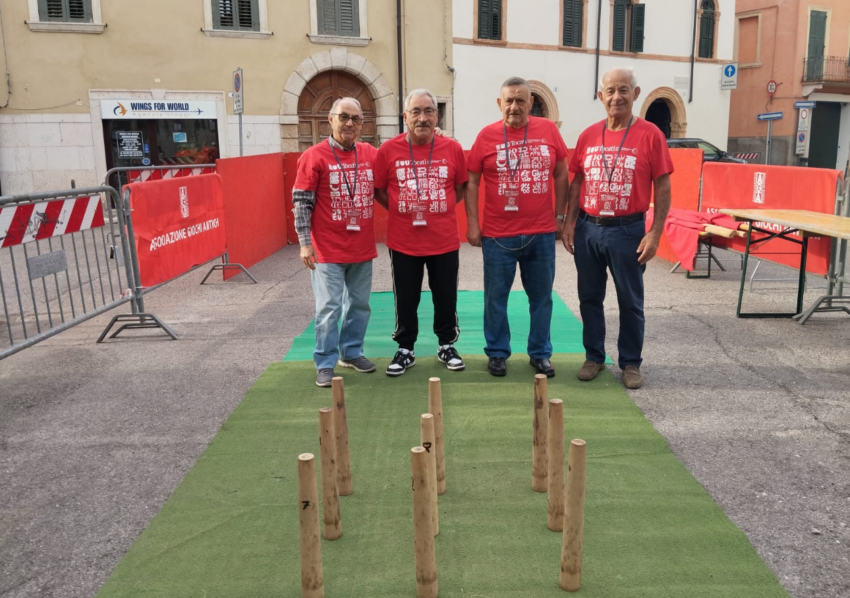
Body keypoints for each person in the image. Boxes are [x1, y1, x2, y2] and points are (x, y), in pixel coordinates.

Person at [563, 67, 673, 390]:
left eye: (623, 90)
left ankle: (630, 363)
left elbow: (663, 187)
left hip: (628, 231)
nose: (616, 97)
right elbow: (576, 181)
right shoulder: (587, 135)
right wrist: (569, 222)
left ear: (635, 94)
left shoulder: (651, 135)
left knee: (630, 299)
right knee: (589, 297)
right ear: (601, 97)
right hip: (588, 228)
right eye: (610, 91)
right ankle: (594, 356)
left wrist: (655, 232)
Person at [466, 77, 570, 378]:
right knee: (495, 299)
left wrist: (560, 218)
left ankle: (540, 353)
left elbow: (562, 173)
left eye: (520, 100)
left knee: (542, 299)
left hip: (540, 234)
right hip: (498, 236)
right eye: (509, 100)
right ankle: (497, 353)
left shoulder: (548, 130)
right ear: (500, 104)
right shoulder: (486, 136)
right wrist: (473, 224)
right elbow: (472, 180)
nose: (514, 106)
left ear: (531, 103)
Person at [374, 89, 469, 376]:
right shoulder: (388, 150)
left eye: (428, 111)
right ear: (405, 117)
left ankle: (446, 344)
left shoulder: (452, 148)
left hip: (444, 239)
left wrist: (441, 207)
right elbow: (379, 189)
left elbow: (461, 185)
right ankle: (405, 348)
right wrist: (402, 209)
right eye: (416, 111)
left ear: (436, 115)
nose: (422, 117)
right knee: (405, 297)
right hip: (403, 241)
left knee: (445, 296)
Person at [292, 97, 378, 387]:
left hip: (361, 248)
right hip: (327, 250)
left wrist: (434, 133)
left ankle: (351, 353)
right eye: (344, 117)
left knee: (359, 305)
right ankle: (325, 363)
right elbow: (301, 203)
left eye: (355, 118)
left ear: (362, 124)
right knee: (329, 308)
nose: (349, 123)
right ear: (331, 119)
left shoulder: (370, 153)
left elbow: (401, 152)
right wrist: (305, 243)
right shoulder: (314, 156)